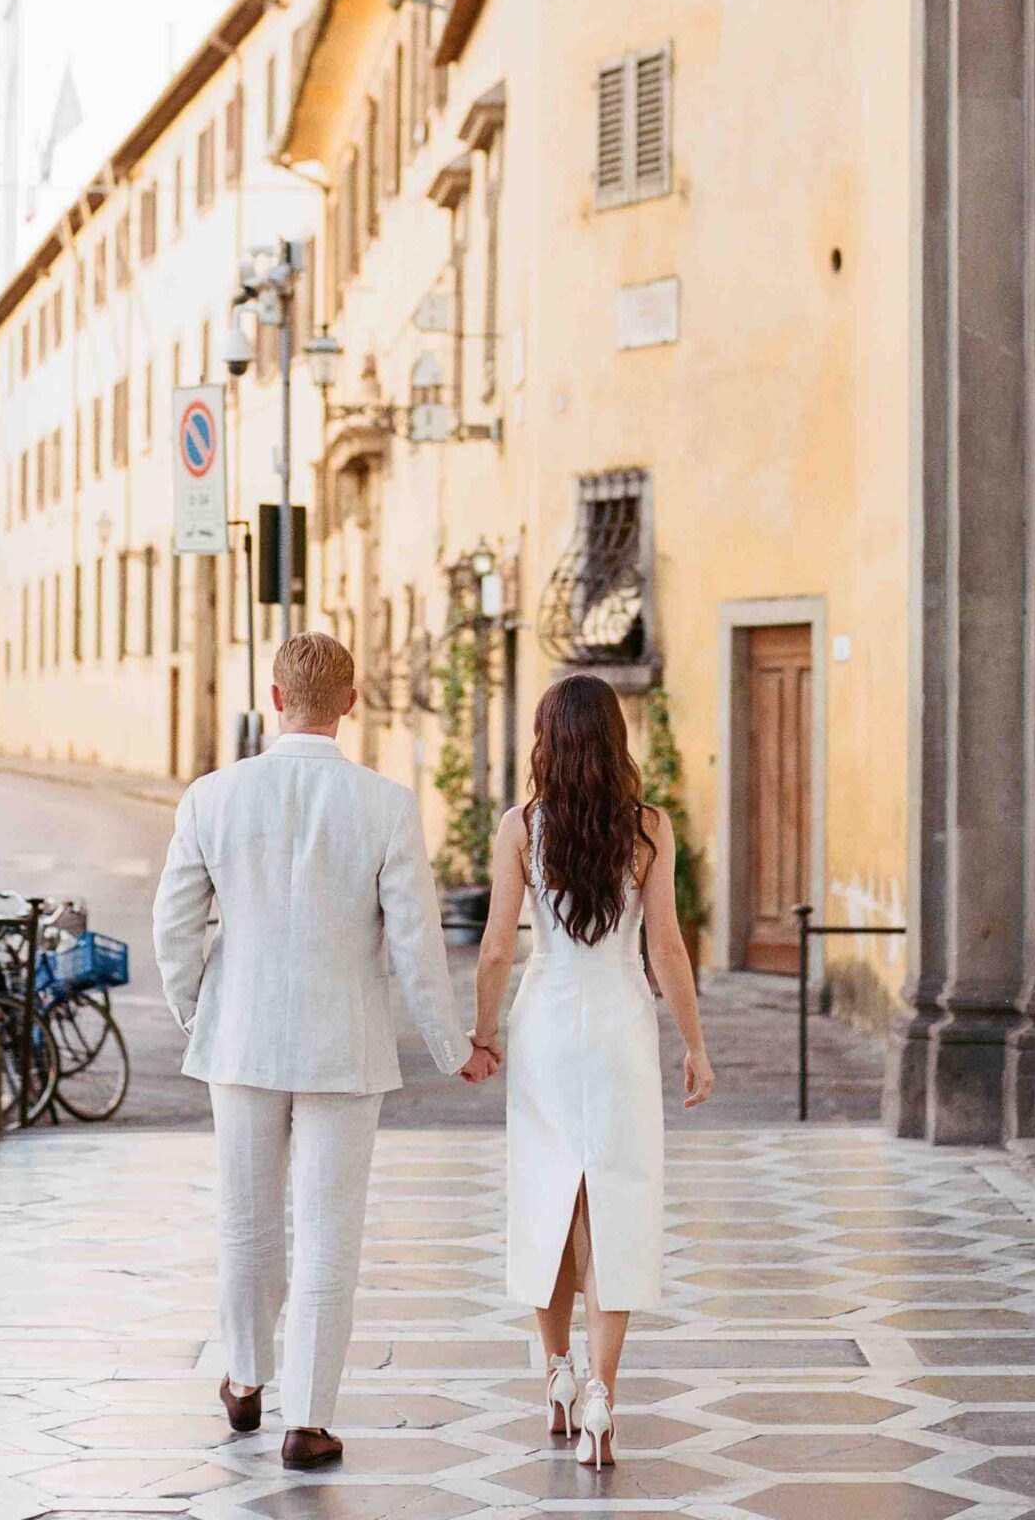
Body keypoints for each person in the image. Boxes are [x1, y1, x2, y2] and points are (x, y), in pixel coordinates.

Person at [152, 629, 481, 1472]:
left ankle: (245, 1379)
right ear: (351, 702)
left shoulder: (212, 796)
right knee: (330, 1231)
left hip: (241, 1035)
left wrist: (199, 1012)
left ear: (272, 699)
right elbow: (414, 942)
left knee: (247, 1221)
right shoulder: (384, 803)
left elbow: (175, 926)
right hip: (345, 1042)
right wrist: (454, 1048)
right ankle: (308, 1419)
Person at [470, 672, 714, 1469]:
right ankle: (603, 1399)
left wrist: (483, 1034)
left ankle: (556, 1379)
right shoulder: (647, 829)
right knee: (616, 1197)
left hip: (544, 1024)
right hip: (617, 1024)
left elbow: (499, 946)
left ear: (547, 739)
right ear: (615, 739)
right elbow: (666, 948)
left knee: (545, 1193)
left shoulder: (520, 826)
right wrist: (695, 1044)